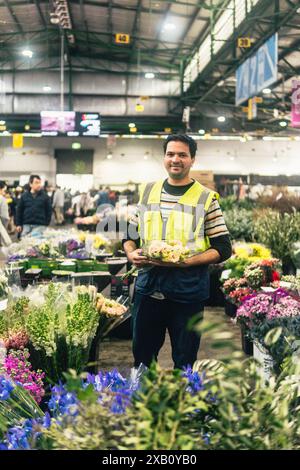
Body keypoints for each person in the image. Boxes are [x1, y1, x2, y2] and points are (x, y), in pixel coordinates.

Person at [122, 134, 232, 370]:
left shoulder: (205, 198)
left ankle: (183, 403)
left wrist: (188, 262)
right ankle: (142, 402)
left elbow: (223, 248)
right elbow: (129, 235)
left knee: (184, 360)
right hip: (148, 289)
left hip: (187, 292)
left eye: (182, 154)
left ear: (192, 159)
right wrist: (131, 253)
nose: (176, 159)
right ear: (164, 158)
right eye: (170, 154)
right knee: (142, 357)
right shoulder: (148, 191)